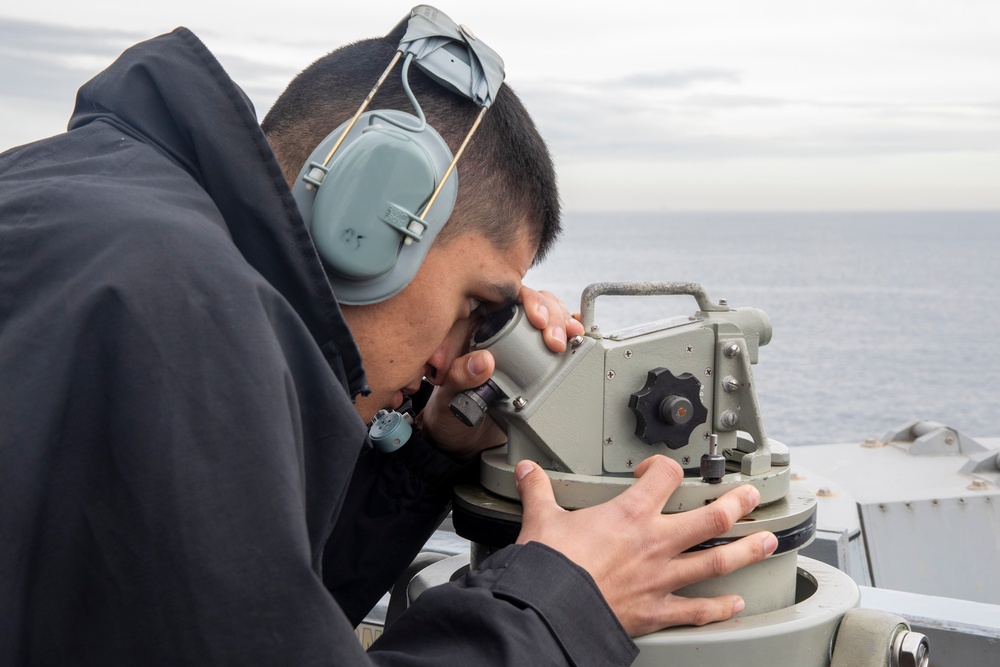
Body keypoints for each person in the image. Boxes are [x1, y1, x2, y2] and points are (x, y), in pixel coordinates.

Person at [0, 10, 777, 667]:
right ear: (370, 218)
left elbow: (221, 613)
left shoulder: (104, 226)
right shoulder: (180, 307)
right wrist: (563, 600)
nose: (453, 359)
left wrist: (424, 457)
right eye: (477, 303)